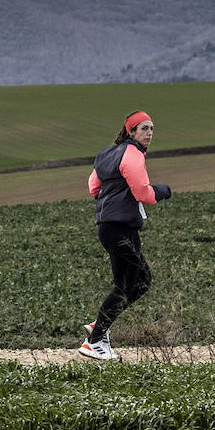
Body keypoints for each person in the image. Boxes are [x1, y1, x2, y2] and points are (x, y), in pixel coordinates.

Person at [79, 110, 172, 361]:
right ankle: (95, 340)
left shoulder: (107, 154)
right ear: (131, 131)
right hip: (121, 228)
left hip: (108, 227)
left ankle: (99, 326)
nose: (149, 133)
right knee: (139, 281)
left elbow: (93, 187)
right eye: (144, 128)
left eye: (152, 128)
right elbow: (143, 193)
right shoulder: (132, 155)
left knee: (132, 283)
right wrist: (162, 191)